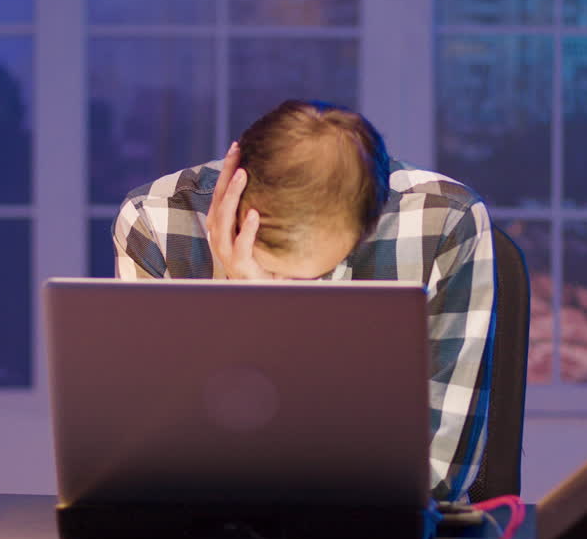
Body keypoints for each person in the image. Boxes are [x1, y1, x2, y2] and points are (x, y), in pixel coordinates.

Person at [112, 100, 496, 502]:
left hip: (375, 533)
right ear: (231, 198)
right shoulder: (154, 221)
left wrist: (277, 325)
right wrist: (237, 306)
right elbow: (151, 459)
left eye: (315, 276)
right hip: (204, 528)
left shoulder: (447, 221)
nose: (293, 285)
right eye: (275, 271)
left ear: (371, 220)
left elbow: (436, 475)